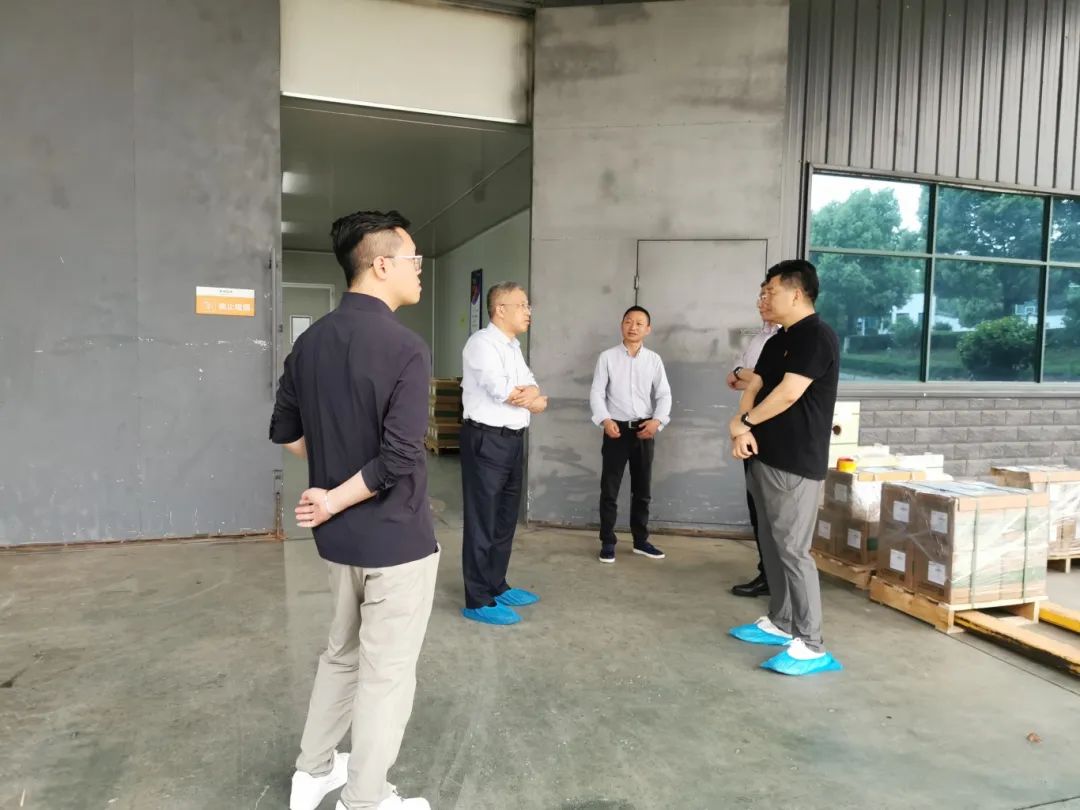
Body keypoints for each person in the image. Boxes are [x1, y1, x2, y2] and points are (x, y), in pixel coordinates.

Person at [270, 210, 438, 810]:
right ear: (382, 264)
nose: (420, 270)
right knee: (386, 675)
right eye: (414, 259)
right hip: (397, 539)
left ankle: (312, 771)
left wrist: (330, 487)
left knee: (340, 655)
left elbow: (287, 432)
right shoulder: (406, 348)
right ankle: (365, 800)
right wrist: (335, 495)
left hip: (340, 541)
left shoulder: (310, 342)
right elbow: (400, 457)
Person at [727, 259, 843, 677]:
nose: (763, 298)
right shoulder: (777, 341)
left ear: (796, 293)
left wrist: (745, 421)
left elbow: (790, 393)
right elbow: (757, 385)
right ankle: (781, 620)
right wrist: (741, 426)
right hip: (761, 453)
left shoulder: (817, 336)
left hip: (795, 459)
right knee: (771, 542)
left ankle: (811, 644)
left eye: (769, 291)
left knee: (793, 549)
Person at [459, 282, 548, 626]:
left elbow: (531, 383)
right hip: (486, 440)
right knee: (482, 519)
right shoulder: (481, 344)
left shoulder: (512, 347)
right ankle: (477, 599)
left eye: (528, 305)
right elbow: (503, 390)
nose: (528, 311)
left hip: (512, 440)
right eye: (522, 305)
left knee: (505, 518)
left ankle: (496, 584)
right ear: (500, 309)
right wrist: (533, 400)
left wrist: (533, 395)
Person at [589, 305, 672, 563]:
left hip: (644, 430)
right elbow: (597, 392)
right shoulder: (607, 357)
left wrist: (657, 421)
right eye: (628, 321)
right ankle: (607, 542)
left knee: (642, 490)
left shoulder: (653, 360)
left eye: (639, 323)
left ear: (648, 329)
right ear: (621, 325)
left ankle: (640, 541)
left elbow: (664, 394)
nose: (632, 327)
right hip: (615, 430)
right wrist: (605, 419)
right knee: (609, 489)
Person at [727, 285, 780, 598]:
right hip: (749, 430)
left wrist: (745, 373)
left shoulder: (787, 339)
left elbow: (766, 381)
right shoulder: (759, 338)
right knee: (756, 504)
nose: (762, 303)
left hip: (771, 430)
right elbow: (734, 380)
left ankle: (777, 577)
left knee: (773, 510)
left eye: (768, 296)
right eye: (760, 297)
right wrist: (744, 374)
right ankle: (767, 572)